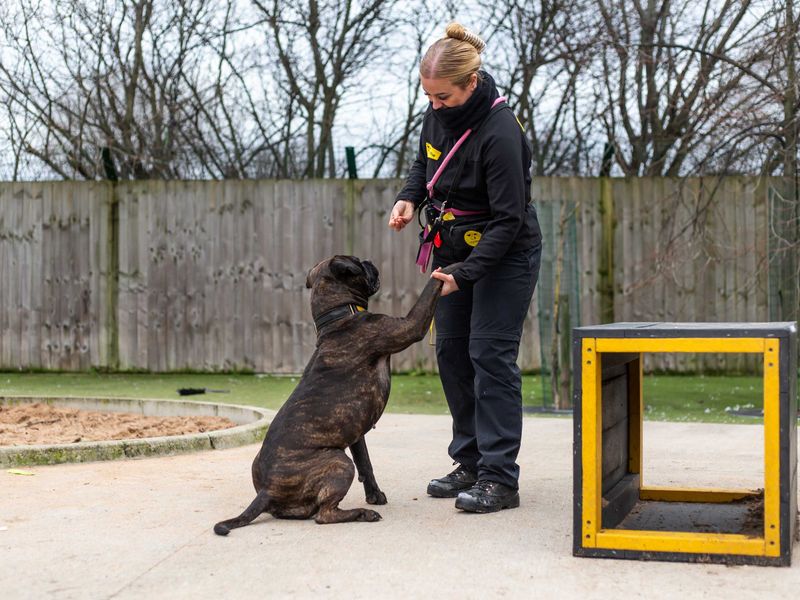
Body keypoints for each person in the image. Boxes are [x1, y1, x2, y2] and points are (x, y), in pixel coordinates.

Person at [388, 23, 543, 513]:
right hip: (451, 248)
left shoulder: (501, 133)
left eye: (443, 96)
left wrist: (467, 272)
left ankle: (500, 479)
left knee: (490, 356)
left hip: (504, 252)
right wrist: (409, 197)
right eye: (427, 95)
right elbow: (425, 161)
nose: (434, 105)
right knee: (452, 353)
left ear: (470, 84)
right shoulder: (436, 116)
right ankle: (470, 461)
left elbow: (508, 219)